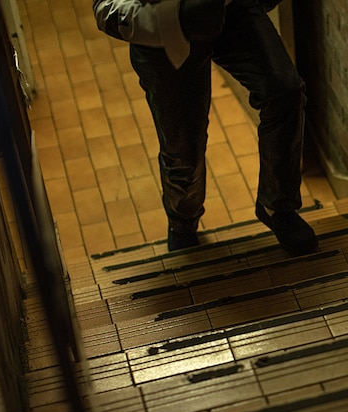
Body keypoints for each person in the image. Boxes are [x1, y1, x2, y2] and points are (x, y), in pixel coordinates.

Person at [92, 0, 318, 254]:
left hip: (232, 10)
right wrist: (174, 18)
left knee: (284, 91)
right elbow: (105, 8)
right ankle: (183, 223)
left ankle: (277, 206)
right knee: (183, 149)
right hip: (164, 32)